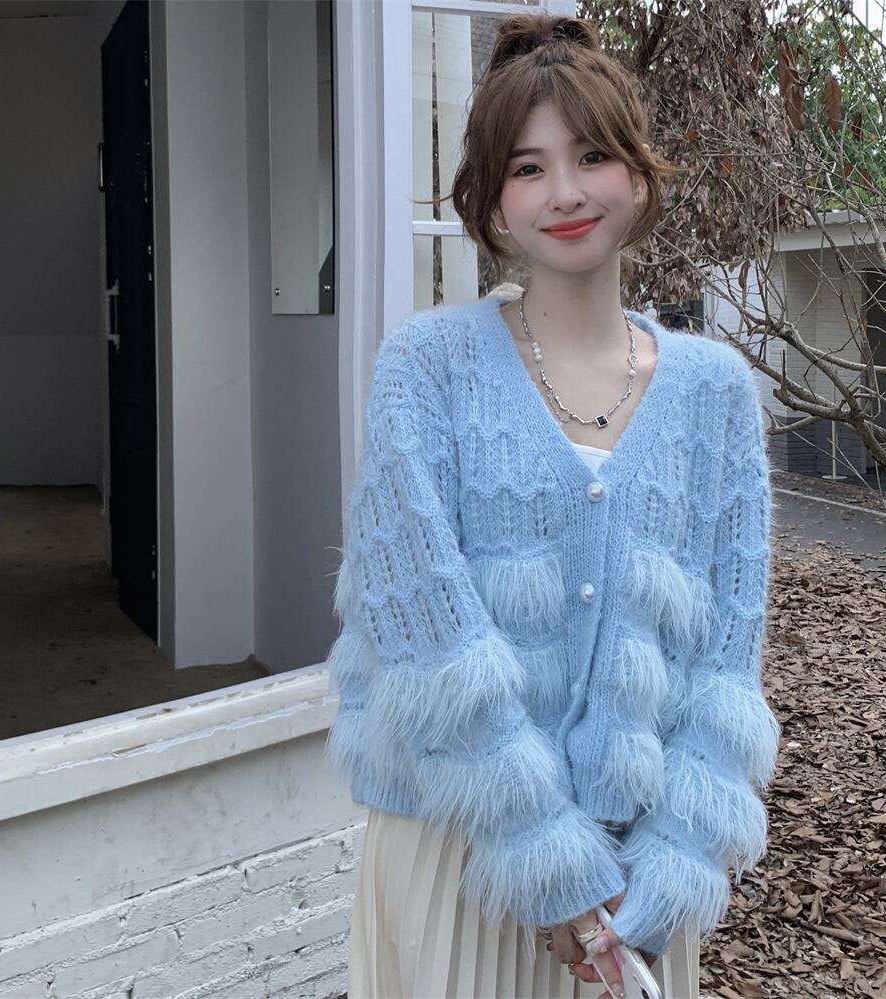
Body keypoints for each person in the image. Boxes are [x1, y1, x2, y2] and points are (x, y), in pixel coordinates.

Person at [325, 13, 780, 999]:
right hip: (459, 857)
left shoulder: (715, 395)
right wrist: (544, 858)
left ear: (640, 176)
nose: (565, 193)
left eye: (592, 157)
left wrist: (672, 870)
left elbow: (726, 663)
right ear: (491, 199)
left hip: (638, 891)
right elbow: (421, 630)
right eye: (527, 169)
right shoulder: (426, 370)